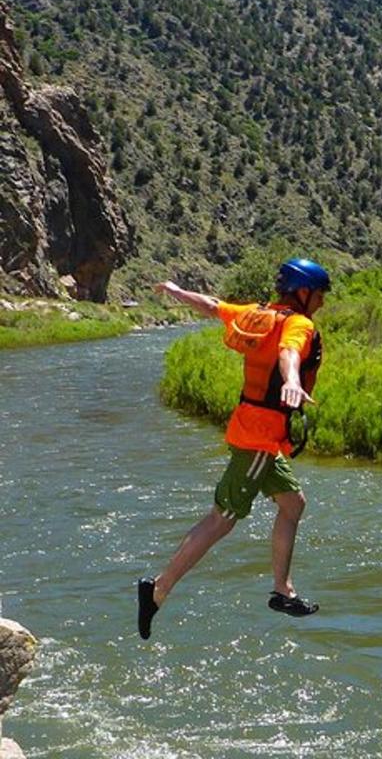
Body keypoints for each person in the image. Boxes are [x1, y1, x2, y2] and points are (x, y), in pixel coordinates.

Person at [138, 258, 331, 640]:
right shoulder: (297, 324)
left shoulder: (260, 315)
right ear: (305, 292)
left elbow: (212, 305)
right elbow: (288, 354)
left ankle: (283, 590)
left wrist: (177, 292)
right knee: (221, 520)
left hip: (254, 431)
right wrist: (291, 380)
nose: (322, 303)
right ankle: (158, 590)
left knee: (293, 504)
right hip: (259, 438)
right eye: (320, 294)